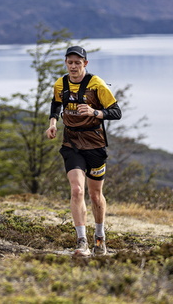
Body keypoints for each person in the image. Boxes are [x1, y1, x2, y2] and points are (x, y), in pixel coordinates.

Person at [45, 45, 121, 257]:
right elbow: (56, 104)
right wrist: (52, 123)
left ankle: (100, 237)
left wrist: (94, 111)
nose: (73, 66)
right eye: (70, 62)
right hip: (71, 143)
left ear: (85, 64)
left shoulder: (97, 85)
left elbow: (116, 112)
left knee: (95, 195)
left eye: (78, 62)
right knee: (77, 190)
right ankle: (81, 242)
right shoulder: (60, 84)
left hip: (95, 144)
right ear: (66, 63)